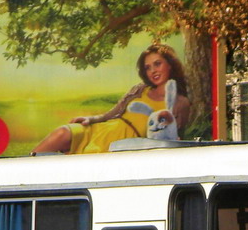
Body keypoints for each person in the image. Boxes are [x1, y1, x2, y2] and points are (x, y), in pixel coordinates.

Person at [32, 45, 192, 154]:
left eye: (157, 64)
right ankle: (19, 174)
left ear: (170, 65)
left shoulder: (180, 102)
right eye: (148, 67)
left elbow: (173, 138)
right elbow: (113, 113)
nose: (153, 71)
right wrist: (91, 119)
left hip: (125, 145)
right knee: (62, 133)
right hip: (105, 129)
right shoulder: (140, 89)